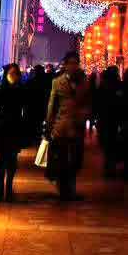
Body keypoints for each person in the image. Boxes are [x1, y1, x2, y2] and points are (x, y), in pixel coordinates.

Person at [45, 52, 91, 200]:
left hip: (77, 126)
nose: (73, 66)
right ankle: (64, 189)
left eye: (75, 63)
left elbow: (88, 102)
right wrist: (49, 124)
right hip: (62, 127)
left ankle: (70, 188)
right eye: (70, 63)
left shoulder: (84, 82)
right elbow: (52, 105)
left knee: (76, 160)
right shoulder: (57, 82)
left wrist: (85, 115)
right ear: (65, 65)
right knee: (62, 159)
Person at [0, 64, 26, 202]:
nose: (13, 76)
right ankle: (0, 189)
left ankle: (8, 188)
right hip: (2, 128)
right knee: (1, 159)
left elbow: (25, 108)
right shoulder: (1, 90)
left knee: (12, 159)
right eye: (10, 73)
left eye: (15, 73)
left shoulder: (21, 90)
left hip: (15, 128)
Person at [95, 65, 123, 177]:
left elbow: (97, 102)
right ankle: (111, 164)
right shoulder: (118, 85)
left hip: (104, 118)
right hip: (114, 118)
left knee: (107, 143)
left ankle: (108, 165)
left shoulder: (102, 85)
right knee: (113, 142)